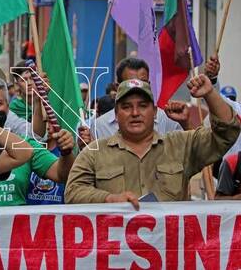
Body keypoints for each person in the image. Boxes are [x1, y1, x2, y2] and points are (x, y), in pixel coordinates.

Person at [65, 76, 240, 207]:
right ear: (116, 114)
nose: (135, 113)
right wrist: (109, 199)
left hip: (171, 251)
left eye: (143, 106)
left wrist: (210, 94)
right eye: (126, 107)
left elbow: (227, 133)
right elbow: (73, 193)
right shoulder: (94, 152)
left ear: (155, 112)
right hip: (118, 253)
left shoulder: (181, 145)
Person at [0, 74, 75, 206]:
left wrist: (66, 153)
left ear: (8, 106)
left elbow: (61, 175)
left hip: (17, 226)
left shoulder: (23, 144)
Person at [90, 57, 189, 139]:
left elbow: (190, 153)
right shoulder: (99, 127)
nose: (135, 113)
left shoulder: (167, 120)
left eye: (143, 82)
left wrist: (186, 124)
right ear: (117, 87)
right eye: (131, 82)